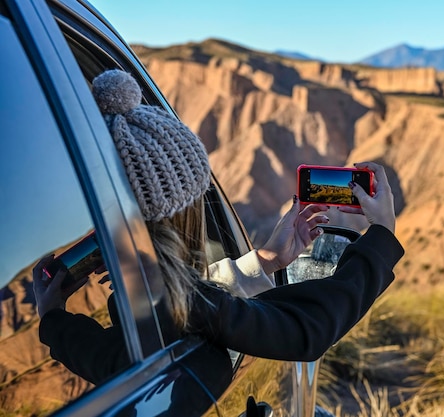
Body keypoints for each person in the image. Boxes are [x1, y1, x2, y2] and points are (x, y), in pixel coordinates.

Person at [32, 70, 404, 387]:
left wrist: (264, 261)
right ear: (186, 214)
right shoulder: (180, 303)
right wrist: (382, 235)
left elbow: (106, 358)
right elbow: (306, 329)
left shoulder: (144, 301)